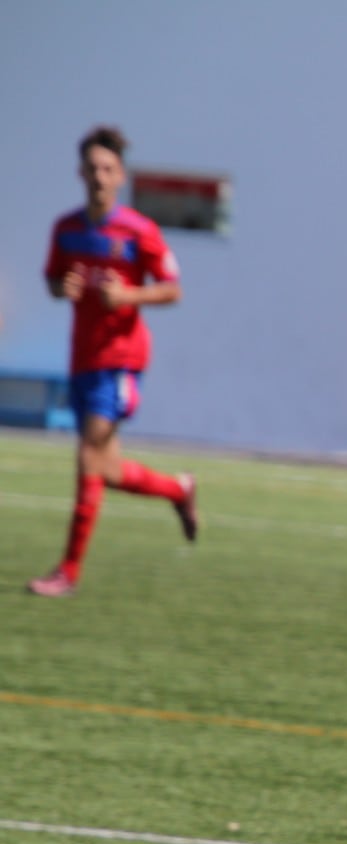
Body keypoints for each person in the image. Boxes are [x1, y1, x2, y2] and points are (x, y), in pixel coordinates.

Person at [29, 125, 197, 598]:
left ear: (120, 175)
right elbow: (51, 281)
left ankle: (68, 571)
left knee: (87, 458)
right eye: (93, 168)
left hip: (121, 360)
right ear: (80, 172)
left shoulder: (139, 232)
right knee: (106, 468)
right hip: (82, 358)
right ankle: (178, 490)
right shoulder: (66, 229)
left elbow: (172, 289)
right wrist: (63, 289)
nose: (100, 177)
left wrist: (127, 295)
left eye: (108, 169)